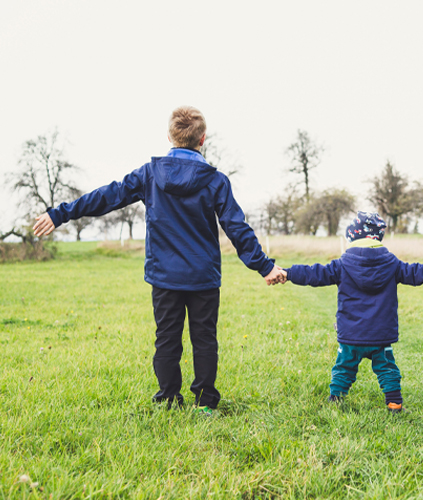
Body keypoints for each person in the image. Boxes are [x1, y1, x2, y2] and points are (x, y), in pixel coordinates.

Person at [33, 106, 286, 415]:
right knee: (204, 339)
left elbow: (106, 196)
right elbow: (236, 227)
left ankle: (168, 400)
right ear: (202, 139)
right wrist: (265, 266)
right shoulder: (216, 180)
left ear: (169, 136)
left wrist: (59, 214)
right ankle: (205, 403)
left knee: (166, 340)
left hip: (165, 276)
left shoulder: (150, 175)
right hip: (203, 277)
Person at [277, 211, 423, 413]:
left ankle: (335, 399)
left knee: (344, 367)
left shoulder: (342, 264)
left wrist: (288, 272)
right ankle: (394, 404)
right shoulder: (392, 264)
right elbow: (416, 272)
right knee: (387, 369)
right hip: (380, 335)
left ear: (353, 236)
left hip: (351, 334)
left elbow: (314, 273)